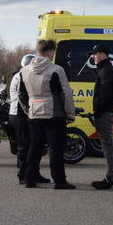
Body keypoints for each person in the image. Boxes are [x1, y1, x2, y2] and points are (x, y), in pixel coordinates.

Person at [20, 39, 75, 190]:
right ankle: (59, 181)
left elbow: (21, 95)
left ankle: (30, 178)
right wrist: (70, 113)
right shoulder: (56, 70)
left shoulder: (24, 71)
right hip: (54, 114)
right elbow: (66, 93)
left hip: (34, 114)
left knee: (35, 147)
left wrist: (28, 110)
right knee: (55, 148)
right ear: (50, 51)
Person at [9, 53, 48, 184]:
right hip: (19, 114)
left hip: (23, 114)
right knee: (24, 146)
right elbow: (21, 97)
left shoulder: (22, 74)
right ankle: (23, 175)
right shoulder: (20, 75)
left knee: (33, 145)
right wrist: (29, 112)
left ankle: (34, 173)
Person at [88, 45, 113, 190]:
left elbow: (104, 96)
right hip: (105, 112)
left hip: (104, 113)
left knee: (107, 145)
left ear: (102, 54)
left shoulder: (106, 71)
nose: (93, 57)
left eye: (95, 54)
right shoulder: (105, 70)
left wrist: (96, 113)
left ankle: (110, 177)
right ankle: (112, 176)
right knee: (108, 144)